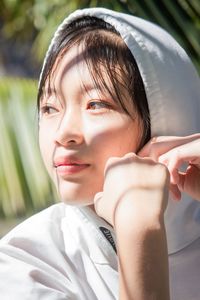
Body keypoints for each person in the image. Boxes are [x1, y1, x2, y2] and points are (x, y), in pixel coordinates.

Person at [0, 7, 200, 300]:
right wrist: (138, 230)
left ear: (166, 118)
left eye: (95, 104)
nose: (63, 133)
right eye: (50, 108)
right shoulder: (25, 264)